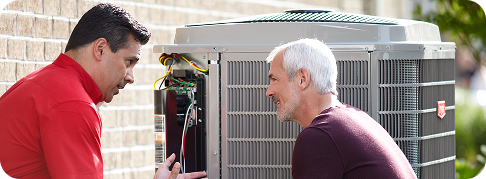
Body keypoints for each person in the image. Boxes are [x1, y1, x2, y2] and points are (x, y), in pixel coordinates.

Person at [0, 3, 206, 179]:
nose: (130, 77)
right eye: (129, 62)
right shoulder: (72, 105)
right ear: (100, 49)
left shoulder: (40, 84)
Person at [265, 39, 417, 179]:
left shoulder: (319, 137)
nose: (268, 92)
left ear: (302, 78)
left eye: (274, 79)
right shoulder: (355, 118)